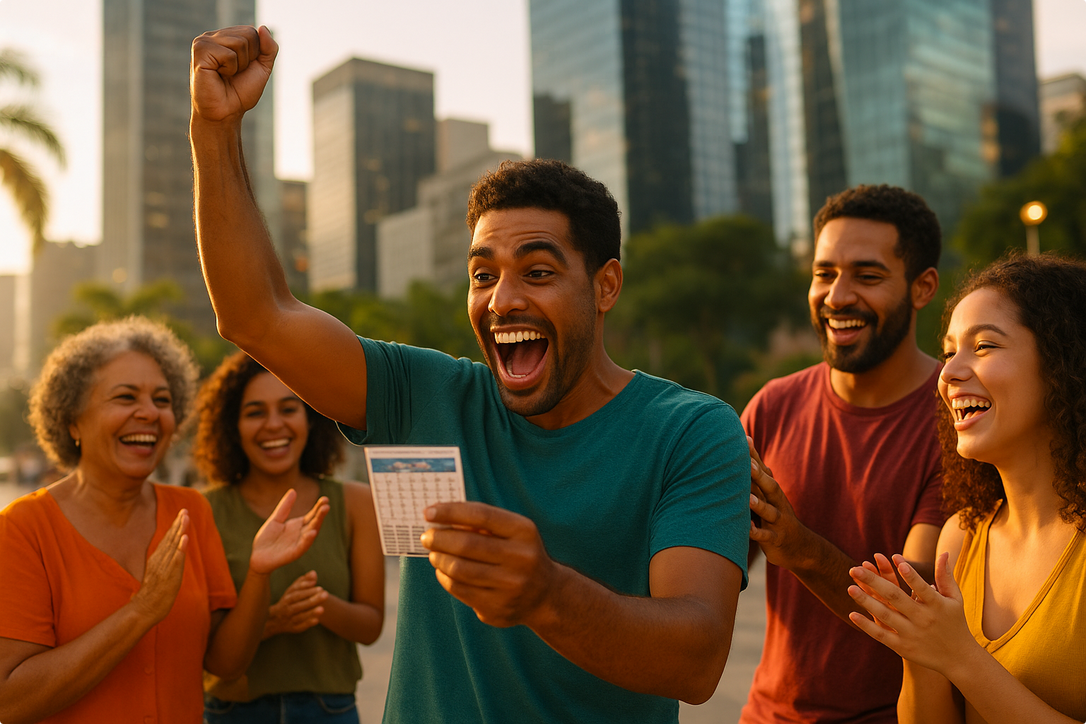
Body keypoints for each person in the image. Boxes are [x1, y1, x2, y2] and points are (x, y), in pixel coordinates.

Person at [189, 25, 749, 724]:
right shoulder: (428, 394)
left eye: (538, 272)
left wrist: (546, 594)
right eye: (483, 275)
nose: (503, 299)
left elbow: (695, 661)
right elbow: (256, 314)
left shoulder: (691, 430)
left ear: (605, 286)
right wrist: (215, 130)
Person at [0, 317, 328, 724]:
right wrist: (141, 611)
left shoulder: (190, 511)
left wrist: (259, 575)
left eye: (163, 400)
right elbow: (10, 701)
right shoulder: (23, 528)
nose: (150, 413)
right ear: (72, 420)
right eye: (125, 397)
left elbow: (224, 663)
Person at [848, 254, 1086, 724]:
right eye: (949, 350)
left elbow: (965, 663)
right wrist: (919, 651)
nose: (949, 373)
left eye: (983, 346)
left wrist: (959, 656)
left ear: (1063, 363)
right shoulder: (960, 535)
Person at [741, 184, 947, 723]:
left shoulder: (960, 417)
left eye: (867, 275)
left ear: (923, 287)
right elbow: (716, 562)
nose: (836, 296)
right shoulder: (772, 405)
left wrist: (798, 546)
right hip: (766, 714)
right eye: (824, 273)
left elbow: (916, 607)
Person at [194, 351, 384, 722]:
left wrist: (317, 604)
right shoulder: (203, 510)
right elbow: (203, 647)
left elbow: (371, 626)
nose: (273, 425)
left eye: (288, 408)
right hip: (231, 712)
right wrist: (273, 620)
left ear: (311, 419)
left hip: (330, 712)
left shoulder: (357, 503)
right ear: (231, 426)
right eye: (254, 412)